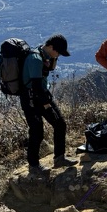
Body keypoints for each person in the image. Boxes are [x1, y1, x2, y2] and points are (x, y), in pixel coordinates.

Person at [22, 34, 76, 173]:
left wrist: (54, 58)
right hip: (31, 99)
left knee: (60, 124)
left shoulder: (44, 54)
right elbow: (36, 86)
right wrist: (46, 105)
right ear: (51, 47)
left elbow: (48, 71)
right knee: (37, 132)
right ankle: (33, 166)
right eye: (57, 52)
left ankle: (59, 158)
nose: (58, 55)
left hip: (43, 95)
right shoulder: (35, 58)